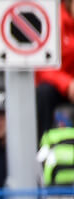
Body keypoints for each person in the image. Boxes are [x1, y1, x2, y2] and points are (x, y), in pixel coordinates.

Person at [36, 0, 74, 134]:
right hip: (58, 86)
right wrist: (68, 84)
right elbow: (43, 66)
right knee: (43, 93)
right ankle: (42, 145)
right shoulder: (53, 21)